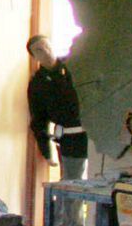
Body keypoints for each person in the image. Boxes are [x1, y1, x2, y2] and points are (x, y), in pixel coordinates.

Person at [26, 34, 87, 181]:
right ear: (34, 57)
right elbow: (38, 120)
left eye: (47, 46)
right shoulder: (37, 84)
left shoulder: (75, 65)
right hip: (70, 138)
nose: (45, 52)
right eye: (39, 50)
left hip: (95, 131)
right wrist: (47, 152)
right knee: (72, 183)